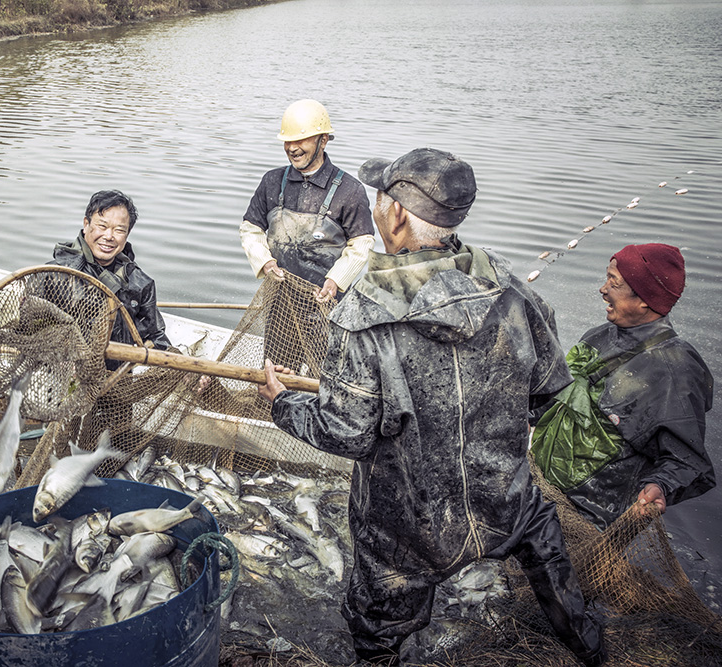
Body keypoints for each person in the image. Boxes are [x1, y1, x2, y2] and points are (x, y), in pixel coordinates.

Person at [257, 148, 606, 666]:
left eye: (380, 199)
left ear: (396, 214)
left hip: (406, 525)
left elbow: (346, 432)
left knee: (377, 631)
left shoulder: (364, 313)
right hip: (505, 499)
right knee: (549, 561)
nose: (376, 208)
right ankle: (591, 649)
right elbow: (548, 388)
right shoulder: (511, 290)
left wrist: (284, 402)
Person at [532, 243, 715, 530]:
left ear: (645, 299)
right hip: (542, 484)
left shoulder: (674, 371)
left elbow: (687, 461)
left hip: (588, 513)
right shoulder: (601, 335)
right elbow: (559, 392)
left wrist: (660, 485)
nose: (603, 289)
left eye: (613, 282)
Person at [240, 99, 375, 302]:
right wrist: (264, 262)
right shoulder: (272, 181)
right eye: (288, 141)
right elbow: (251, 228)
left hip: (327, 302)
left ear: (323, 140)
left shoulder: (350, 190)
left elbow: (362, 243)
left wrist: (336, 281)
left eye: (301, 140)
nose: (292, 148)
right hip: (279, 299)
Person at [47, 189, 171, 354]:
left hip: (120, 368)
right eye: (102, 226)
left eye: (119, 230)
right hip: (61, 366)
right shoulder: (54, 275)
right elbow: (28, 330)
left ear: (127, 234)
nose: (109, 236)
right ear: (86, 224)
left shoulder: (140, 283)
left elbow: (155, 336)